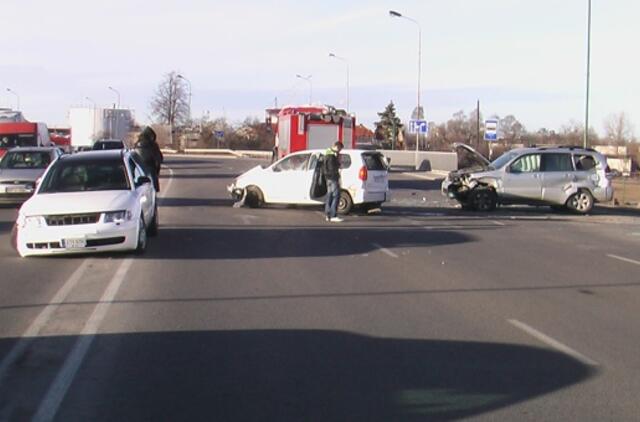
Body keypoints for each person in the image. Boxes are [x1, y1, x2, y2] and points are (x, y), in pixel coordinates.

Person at [134, 126, 163, 192]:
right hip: (150, 168)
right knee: (153, 189)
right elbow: (158, 158)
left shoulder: (136, 144)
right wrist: (157, 170)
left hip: (138, 169)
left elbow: (133, 156)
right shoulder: (153, 145)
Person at [323, 141, 344, 222]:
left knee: (329, 195)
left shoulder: (327, 153)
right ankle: (333, 215)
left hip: (328, 178)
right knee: (336, 195)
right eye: (340, 149)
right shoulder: (332, 156)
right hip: (333, 177)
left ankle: (328, 215)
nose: (340, 151)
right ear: (337, 147)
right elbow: (333, 167)